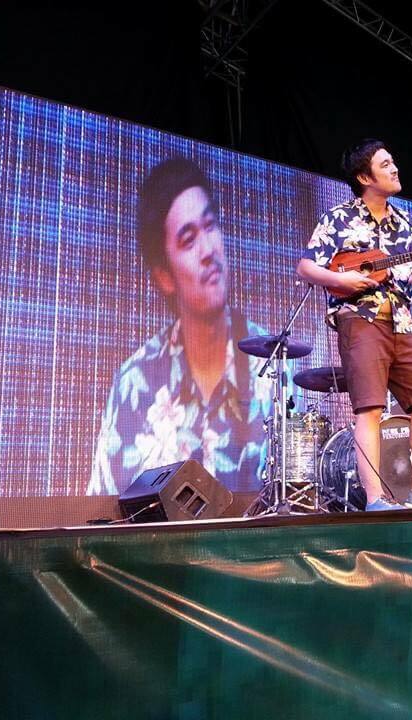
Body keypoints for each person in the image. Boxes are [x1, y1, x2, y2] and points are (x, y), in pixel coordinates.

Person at [88, 157, 271, 496]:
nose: (208, 250)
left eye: (210, 226)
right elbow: (104, 503)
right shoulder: (134, 383)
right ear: (164, 276)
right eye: (188, 240)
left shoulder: (274, 361)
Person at [296, 138, 412, 510]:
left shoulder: (406, 222)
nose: (395, 168)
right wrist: (341, 280)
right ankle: (376, 498)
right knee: (371, 408)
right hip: (359, 319)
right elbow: (306, 266)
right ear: (365, 177)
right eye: (385, 164)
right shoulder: (338, 217)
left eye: (393, 162)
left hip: (401, 319)